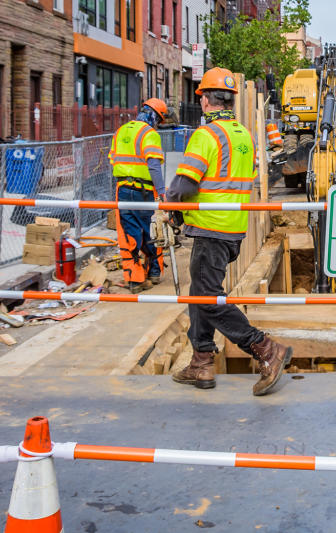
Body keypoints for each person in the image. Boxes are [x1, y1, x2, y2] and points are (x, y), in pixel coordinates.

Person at [168, 67, 292, 394]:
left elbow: (183, 184)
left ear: (206, 100)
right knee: (200, 292)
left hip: (210, 227)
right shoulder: (245, 136)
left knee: (207, 298)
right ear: (232, 100)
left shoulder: (206, 135)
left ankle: (265, 349)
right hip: (233, 229)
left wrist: (171, 210)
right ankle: (201, 363)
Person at [108, 98, 168, 294]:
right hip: (144, 192)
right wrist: (162, 192)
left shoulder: (120, 131)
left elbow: (113, 160)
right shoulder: (149, 134)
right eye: (159, 120)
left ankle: (135, 280)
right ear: (155, 116)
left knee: (129, 234)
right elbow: (153, 165)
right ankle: (154, 273)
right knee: (150, 232)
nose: (158, 125)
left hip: (123, 189)